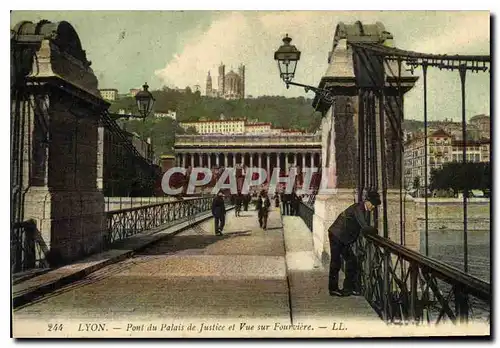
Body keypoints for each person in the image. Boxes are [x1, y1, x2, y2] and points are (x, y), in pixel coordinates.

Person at [328, 191, 381, 297]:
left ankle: (349, 288)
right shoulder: (359, 208)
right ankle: (333, 289)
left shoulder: (360, 207)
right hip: (337, 236)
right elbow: (365, 227)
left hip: (343, 238)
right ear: (368, 202)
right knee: (336, 262)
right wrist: (375, 231)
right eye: (373, 204)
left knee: (352, 261)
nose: (374, 207)